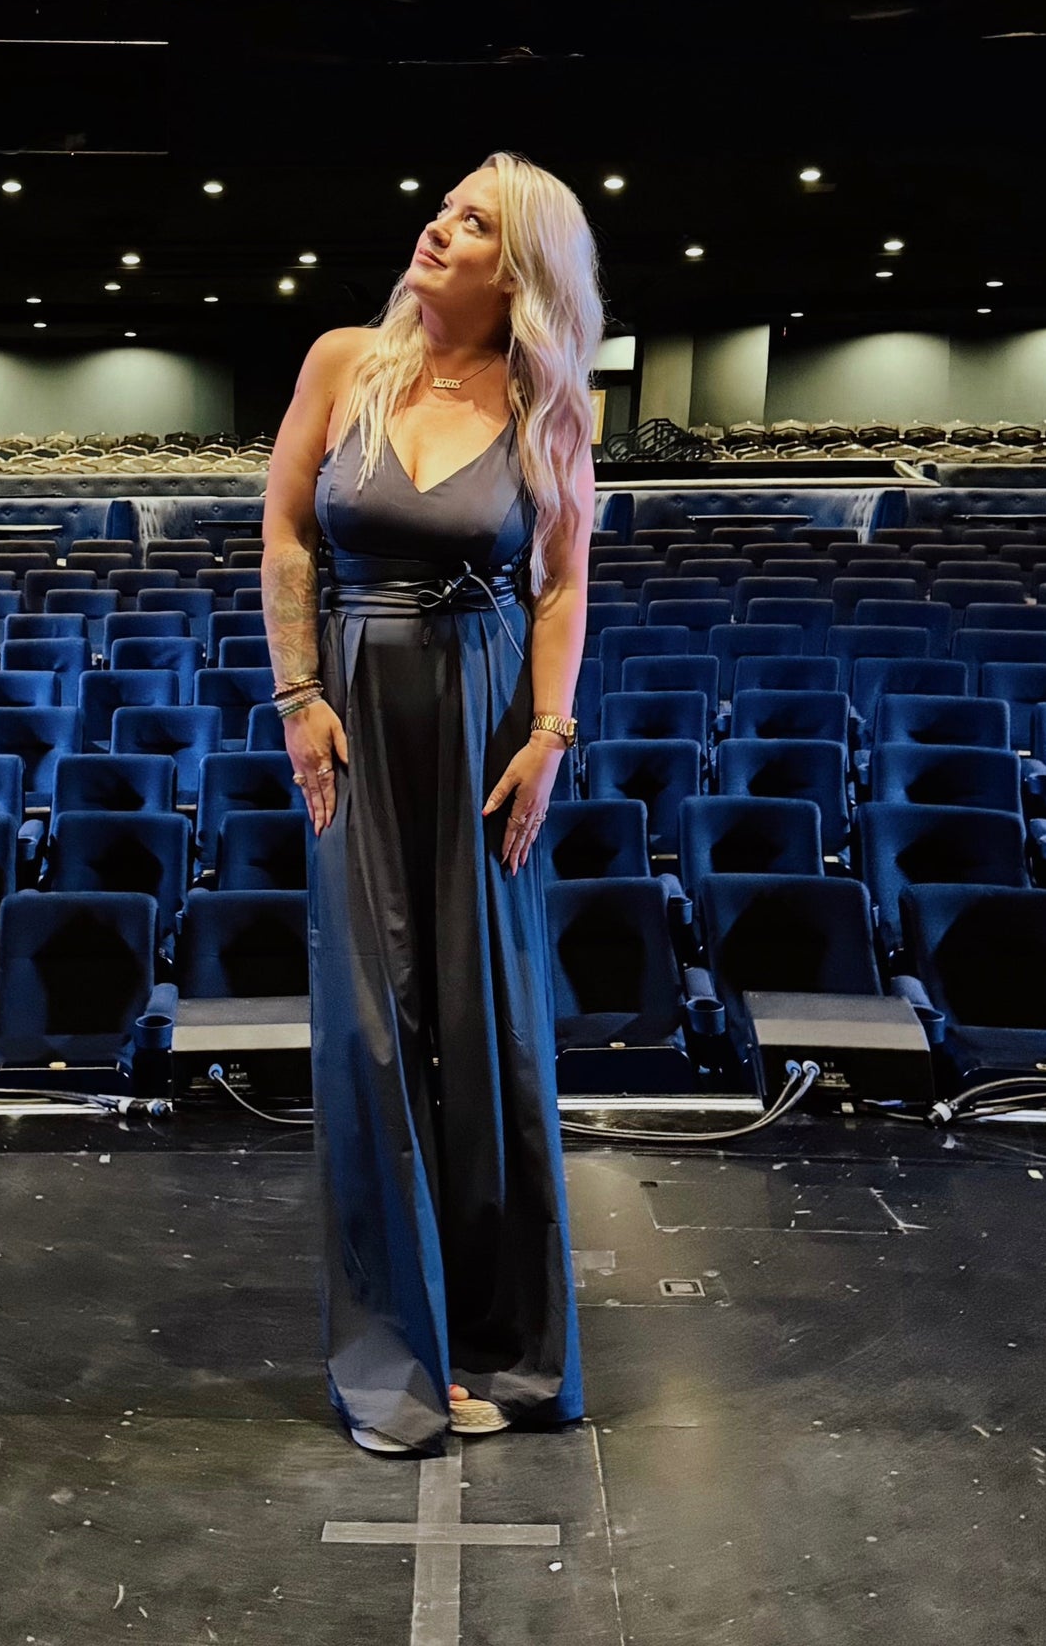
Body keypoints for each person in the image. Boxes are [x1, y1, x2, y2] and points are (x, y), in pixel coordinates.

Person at [260, 150, 604, 1455]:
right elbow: (286, 534)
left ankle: (507, 1348)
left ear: (521, 271)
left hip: (487, 723)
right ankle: (393, 1359)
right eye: (443, 207)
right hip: (354, 707)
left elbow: (561, 585)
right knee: (372, 1031)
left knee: (491, 1024)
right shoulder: (343, 361)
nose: (438, 227)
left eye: (473, 221)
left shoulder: (548, 402)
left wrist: (552, 734)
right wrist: (298, 695)